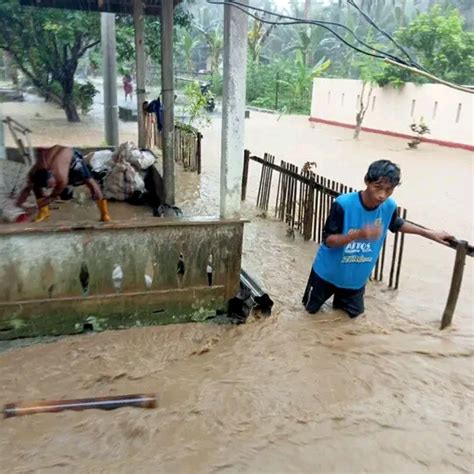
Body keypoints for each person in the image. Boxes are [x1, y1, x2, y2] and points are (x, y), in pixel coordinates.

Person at [302, 159, 453, 318]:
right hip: (326, 275)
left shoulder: (389, 206)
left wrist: (429, 233)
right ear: (367, 181)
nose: (382, 195)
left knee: (352, 324)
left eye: (389, 190)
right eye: (378, 187)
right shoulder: (343, 204)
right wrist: (359, 234)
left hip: (355, 281)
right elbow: (328, 240)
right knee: (308, 315)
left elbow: (396, 223)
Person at [16, 145, 111, 223]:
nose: (52, 187)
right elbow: (28, 188)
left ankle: (104, 213)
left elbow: (56, 192)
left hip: (72, 159)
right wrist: (19, 202)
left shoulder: (60, 175)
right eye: (49, 187)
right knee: (35, 186)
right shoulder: (33, 173)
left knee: (91, 184)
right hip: (56, 155)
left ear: (52, 175)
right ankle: (43, 212)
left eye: (52, 184)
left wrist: (47, 200)